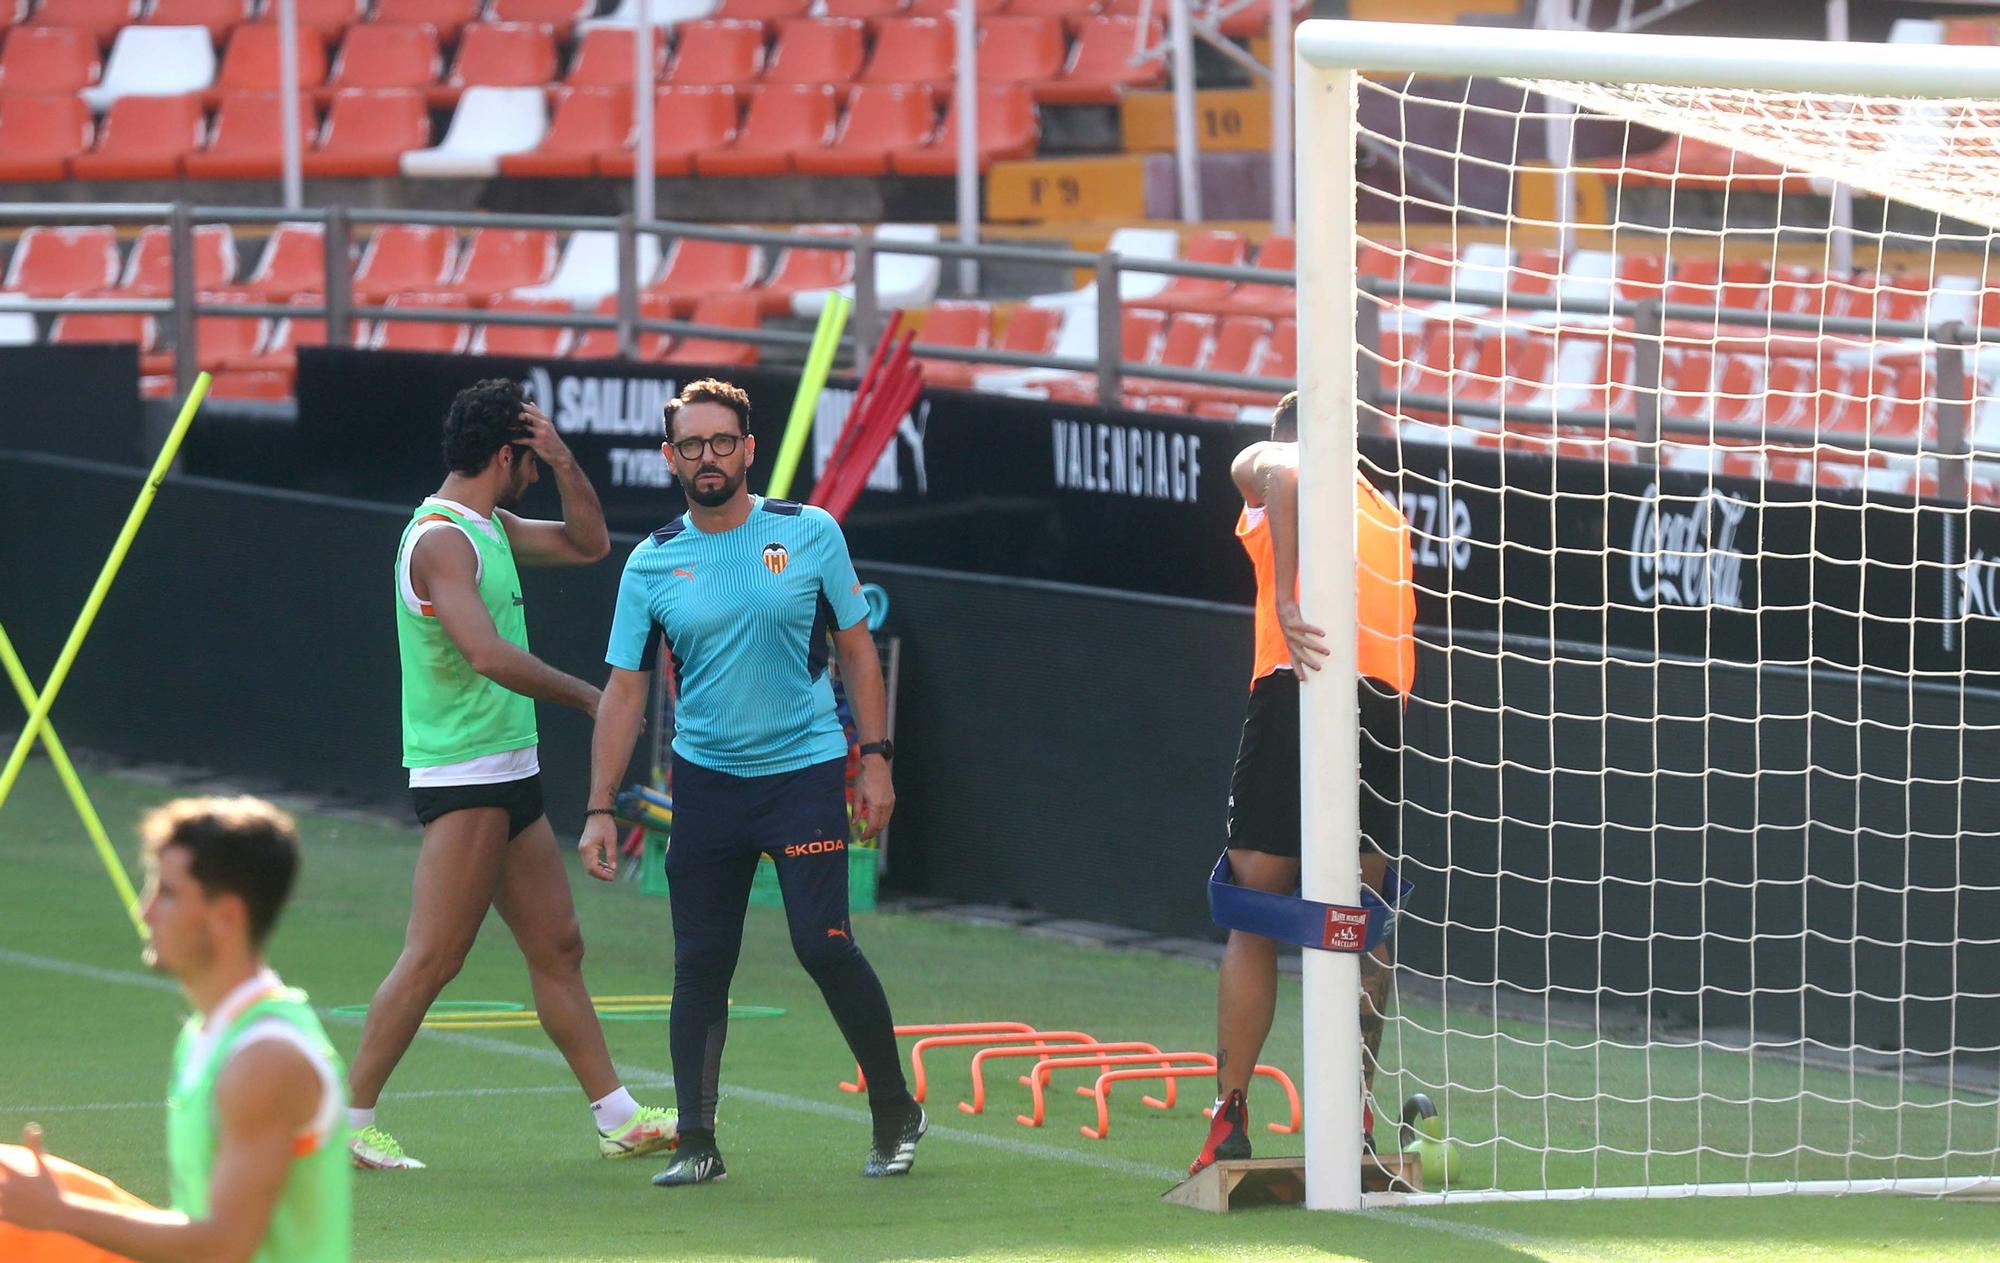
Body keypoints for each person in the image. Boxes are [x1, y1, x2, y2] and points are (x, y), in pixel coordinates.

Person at [581, 378, 925, 1188]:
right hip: (706, 781)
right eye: (691, 445)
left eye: (722, 441)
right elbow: (625, 688)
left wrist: (875, 757)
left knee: (823, 944)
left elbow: (857, 647)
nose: (708, 457)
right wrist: (600, 805)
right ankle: (696, 1141)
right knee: (700, 960)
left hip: (804, 771)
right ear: (670, 459)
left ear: (749, 449)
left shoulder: (809, 533)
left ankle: (893, 1109)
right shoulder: (652, 561)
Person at [347, 378, 675, 1170]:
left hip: (508, 769)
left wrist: (564, 459)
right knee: (434, 955)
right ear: (504, 455)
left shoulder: (489, 523)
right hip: (464, 775)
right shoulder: (442, 541)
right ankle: (345, 1118)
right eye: (531, 460)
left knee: (558, 945)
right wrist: (589, 696)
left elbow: (591, 543)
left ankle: (618, 1116)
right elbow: (486, 653)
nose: (535, 474)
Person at [1190, 391, 1417, 1175]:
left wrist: (1287, 594)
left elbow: (1278, 479)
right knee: (1365, 917)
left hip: (1300, 687)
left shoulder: (1283, 465)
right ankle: (1351, 1113)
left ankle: (1231, 1111)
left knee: (1254, 905)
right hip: (1381, 706)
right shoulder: (1382, 508)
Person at [0, 796, 352, 1262]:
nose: (145, 912)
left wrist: (60, 1212)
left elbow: (223, 1245)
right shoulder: (209, 1035)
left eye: (166, 893)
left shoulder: (264, 1060)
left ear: (226, 916)